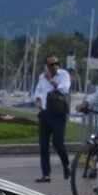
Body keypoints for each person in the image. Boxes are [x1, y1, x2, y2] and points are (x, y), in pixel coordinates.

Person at [31, 53, 76, 184]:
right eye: (52, 64)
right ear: (47, 65)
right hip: (45, 112)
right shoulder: (42, 77)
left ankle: (66, 164)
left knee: (58, 142)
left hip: (58, 112)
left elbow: (64, 89)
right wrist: (38, 99)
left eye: (57, 63)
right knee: (43, 144)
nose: (55, 66)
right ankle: (46, 174)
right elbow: (38, 90)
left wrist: (52, 80)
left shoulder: (64, 75)